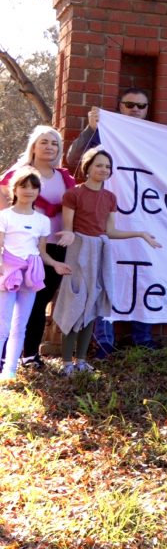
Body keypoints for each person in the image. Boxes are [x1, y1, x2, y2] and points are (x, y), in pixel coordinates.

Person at [68, 87, 160, 354]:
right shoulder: (102, 134)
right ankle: (104, 342)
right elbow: (75, 159)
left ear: (147, 110)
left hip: (145, 217)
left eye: (140, 106)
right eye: (129, 104)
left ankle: (142, 338)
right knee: (104, 278)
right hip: (102, 217)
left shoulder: (154, 138)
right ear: (119, 106)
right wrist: (91, 129)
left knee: (143, 274)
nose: (134, 109)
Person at [55, 149, 162, 375]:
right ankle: (66, 363)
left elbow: (110, 231)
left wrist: (140, 234)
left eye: (107, 166)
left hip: (100, 251)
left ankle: (82, 361)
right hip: (78, 251)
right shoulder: (73, 194)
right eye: (99, 165)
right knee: (74, 304)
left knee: (92, 307)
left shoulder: (110, 198)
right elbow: (68, 227)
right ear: (88, 167)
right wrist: (68, 235)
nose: (103, 170)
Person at [0, 125, 75, 370]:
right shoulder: (20, 173)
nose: (49, 147)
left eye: (54, 143)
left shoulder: (64, 177)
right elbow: (2, 197)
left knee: (39, 300)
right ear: (34, 145)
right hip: (19, 250)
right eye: (44, 142)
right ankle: (5, 357)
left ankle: (30, 355)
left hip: (52, 246)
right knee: (10, 302)